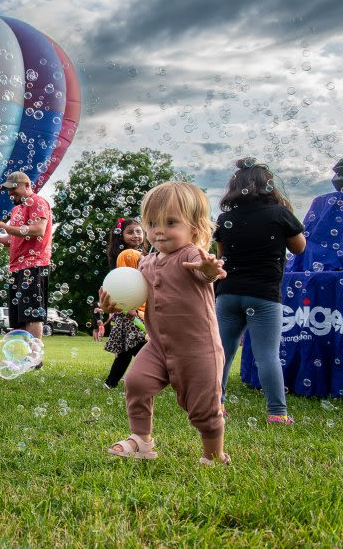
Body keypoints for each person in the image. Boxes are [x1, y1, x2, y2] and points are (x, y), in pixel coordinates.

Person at [101, 182, 230, 465]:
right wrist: (115, 305)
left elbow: (206, 274)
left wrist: (209, 271)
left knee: (203, 411)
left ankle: (214, 455)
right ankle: (142, 441)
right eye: (152, 223)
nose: (159, 230)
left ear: (194, 228)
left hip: (197, 349)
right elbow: (137, 297)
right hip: (158, 345)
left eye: (170, 223)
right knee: (135, 382)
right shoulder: (146, 263)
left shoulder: (192, 256)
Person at [214, 158, 306, 425]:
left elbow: (222, 256)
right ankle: (277, 413)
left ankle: (216, 406)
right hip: (264, 294)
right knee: (267, 355)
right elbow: (299, 247)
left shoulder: (225, 219)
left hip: (228, 293)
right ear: (268, 186)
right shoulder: (279, 213)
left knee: (223, 352)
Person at [0, 171, 53, 356]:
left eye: (13, 189)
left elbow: (38, 229)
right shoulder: (16, 210)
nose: (10, 194)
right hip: (17, 267)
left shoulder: (38, 202)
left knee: (33, 314)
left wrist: (5, 226)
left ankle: (35, 357)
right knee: (20, 316)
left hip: (34, 264)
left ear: (26, 185)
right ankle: (25, 357)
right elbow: (14, 237)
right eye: (8, 191)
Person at [102, 217, 150, 388]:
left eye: (138, 231)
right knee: (142, 348)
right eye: (130, 232)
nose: (136, 235)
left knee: (125, 351)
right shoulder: (128, 254)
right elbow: (126, 284)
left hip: (132, 309)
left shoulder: (138, 254)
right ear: (120, 236)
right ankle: (156, 376)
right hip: (132, 310)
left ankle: (110, 383)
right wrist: (130, 307)